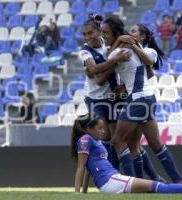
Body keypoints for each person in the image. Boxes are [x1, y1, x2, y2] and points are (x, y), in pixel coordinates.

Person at [102, 15, 182, 183]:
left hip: (138, 99)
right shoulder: (125, 50)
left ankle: (131, 183)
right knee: (155, 145)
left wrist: (128, 43)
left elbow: (111, 59)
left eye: (134, 31)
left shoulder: (147, 51)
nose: (130, 33)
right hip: (146, 99)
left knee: (117, 140)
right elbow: (120, 63)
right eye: (129, 31)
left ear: (142, 37)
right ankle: (180, 183)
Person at [71, 113, 182, 194]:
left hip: (113, 180)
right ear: (89, 129)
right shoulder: (85, 139)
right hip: (111, 181)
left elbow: (89, 170)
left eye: (103, 128)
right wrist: (77, 194)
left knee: (153, 188)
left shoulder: (95, 141)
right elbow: (81, 168)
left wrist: (84, 193)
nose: (103, 131)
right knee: (156, 186)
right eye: (100, 128)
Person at [78, 14, 131, 169]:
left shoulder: (107, 45)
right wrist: (114, 61)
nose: (87, 37)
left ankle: (115, 173)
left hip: (112, 97)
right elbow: (94, 71)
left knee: (116, 139)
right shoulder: (84, 52)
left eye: (90, 32)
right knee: (104, 136)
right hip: (95, 98)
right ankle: (109, 173)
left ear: (99, 32)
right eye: (84, 34)